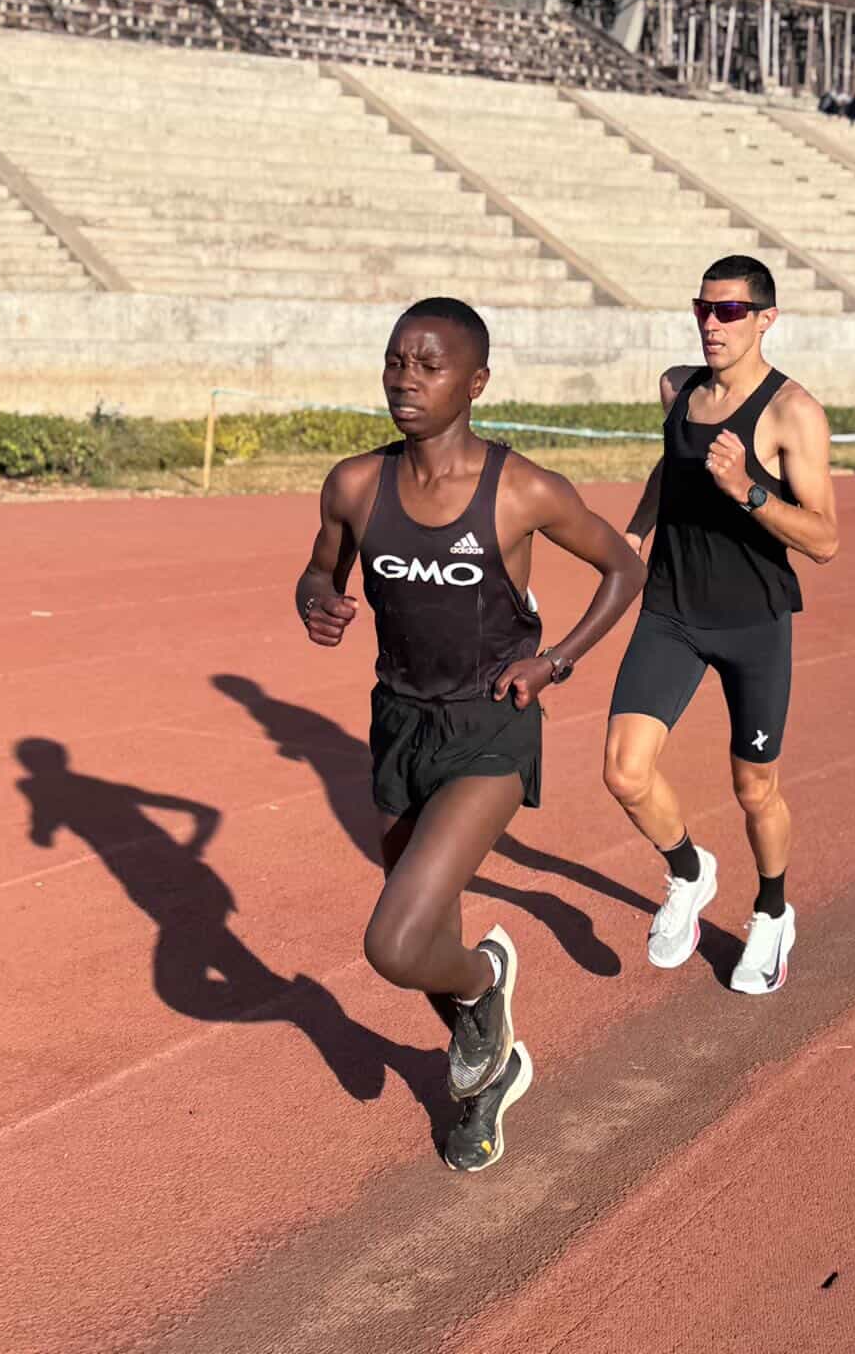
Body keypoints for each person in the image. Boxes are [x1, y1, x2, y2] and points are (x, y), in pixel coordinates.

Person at [296, 297, 645, 1170]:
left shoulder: (520, 490)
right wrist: (315, 600)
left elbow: (623, 565)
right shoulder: (354, 484)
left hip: (493, 724)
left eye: (428, 365)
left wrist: (554, 661)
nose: (404, 381)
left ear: (476, 382)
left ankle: (489, 980)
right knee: (427, 936)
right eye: (394, 362)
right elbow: (317, 565)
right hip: (398, 722)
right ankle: (490, 1075)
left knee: (397, 943)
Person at [603, 255, 839, 994]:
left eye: (730, 311)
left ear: (767, 318)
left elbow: (826, 539)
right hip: (672, 611)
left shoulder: (792, 413)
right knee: (624, 771)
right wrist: (632, 537)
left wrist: (747, 490)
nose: (712, 322)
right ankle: (689, 871)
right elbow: (668, 468)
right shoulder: (677, 389)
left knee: (753, 789)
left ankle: (772, 911)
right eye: (704, 307)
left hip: (753, 623)